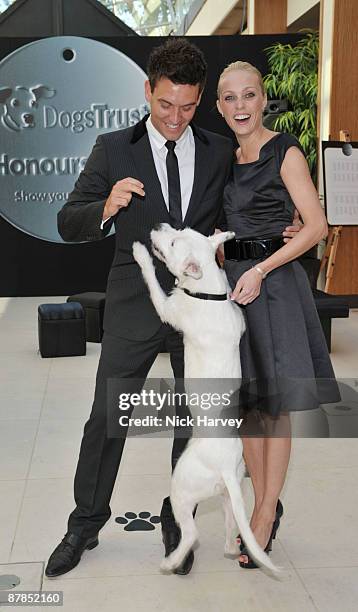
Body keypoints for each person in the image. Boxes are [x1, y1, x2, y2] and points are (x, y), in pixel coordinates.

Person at [45, 40, 300, 579]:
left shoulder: (216, 150)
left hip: (202, 316)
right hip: (137, 304)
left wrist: (287, 226)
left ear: (200, 99)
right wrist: (105, 207)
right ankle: (84, 523)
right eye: (165, 105)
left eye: (187, 107)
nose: (175, 118)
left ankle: (174, 514)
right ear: (148, 91)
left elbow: (250, 204)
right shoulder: (114, 148)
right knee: (107, 415)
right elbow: (69, 219)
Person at [216, 60, 339, 568]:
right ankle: (259, 506)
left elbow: (317, 227)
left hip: (272, 286)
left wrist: (261, 268)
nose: (241, 105)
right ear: (220, 107)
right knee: (247, 404)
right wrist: (224, 256)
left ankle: (265, 513)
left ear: (264, 99)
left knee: (275, 405)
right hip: (232, 287)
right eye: (230, 98)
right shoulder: (225, 157)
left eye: (249, 95)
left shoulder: (284, 150)